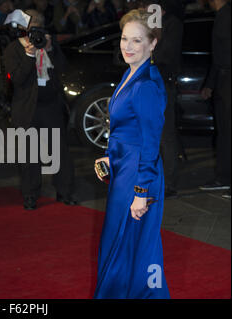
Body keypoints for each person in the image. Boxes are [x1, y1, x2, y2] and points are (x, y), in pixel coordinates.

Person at [93, 9, 170, 298]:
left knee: (133, 246)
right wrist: (109, 156)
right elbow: (127, 130)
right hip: (125, 169)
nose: (127, 46)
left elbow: (151, 143)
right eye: (125, 39)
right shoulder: (131, 72)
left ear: (152, 44)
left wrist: (141, 191)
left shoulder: (146, 84)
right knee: (124, 245)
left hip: (139, 176)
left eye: (137, 41)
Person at [3, 9, 77, 210]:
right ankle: (30, 195)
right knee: (28, 154)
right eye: (31, 23)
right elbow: (17, 80)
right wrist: (29, 54)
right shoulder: (13, 49)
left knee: (60, 151)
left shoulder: (48, 42)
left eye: (38, 23)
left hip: (51, 105)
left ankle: (65, 192)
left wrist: (51, 49)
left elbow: (63, 70)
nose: (34, 27)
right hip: (26, 107)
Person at [140, 0, 184, 199]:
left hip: (162, 84)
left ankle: (169, 182)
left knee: (165, 136)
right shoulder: (146, 24)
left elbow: (165, 55)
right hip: (144, 85)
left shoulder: (172, 24)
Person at [199, 0, 231, 198]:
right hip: (223, 79)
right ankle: (224, 177)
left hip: (227, 79)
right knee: (225, 132)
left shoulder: (227, 16)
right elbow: (217, 56)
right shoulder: (221, 17)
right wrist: (211, 83)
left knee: (228, 131)